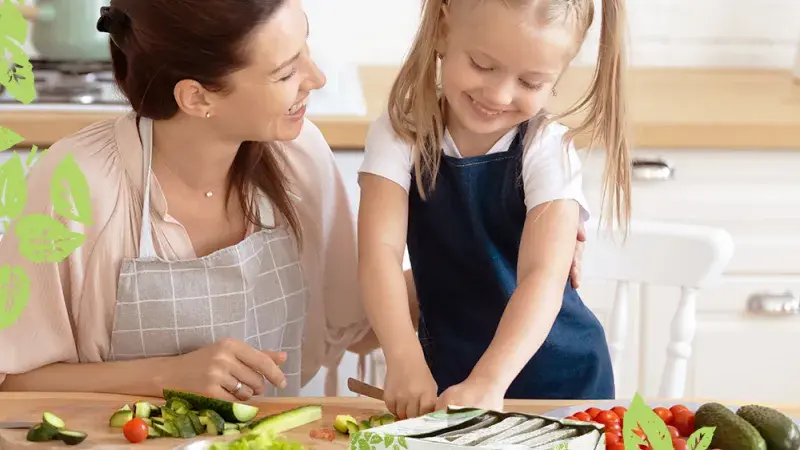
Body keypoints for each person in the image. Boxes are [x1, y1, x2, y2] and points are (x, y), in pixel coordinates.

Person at [0, 0, 398, 401]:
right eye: (285, 72)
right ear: (196, 98)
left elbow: (351, 324)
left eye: (305, 51)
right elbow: (11, 380)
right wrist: (164, 376)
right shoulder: (74, 186)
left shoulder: (298, 155)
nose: (317, 79)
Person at [357, 0, 631, 419]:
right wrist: (403, 357)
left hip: (561, 385)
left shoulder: (547, 149)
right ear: (444, 28)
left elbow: (543, 276)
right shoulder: (401, 133)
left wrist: (490, 379)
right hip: (451, 375)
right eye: (483, 65)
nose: (500, 95)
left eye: (531, 82)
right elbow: (379, 253)